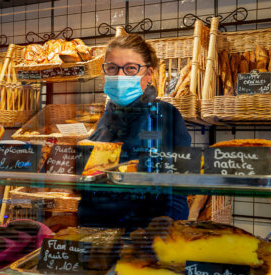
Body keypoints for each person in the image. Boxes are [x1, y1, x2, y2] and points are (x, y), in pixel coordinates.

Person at [78, 33, 192, 231]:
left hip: (141, 239)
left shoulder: (164, 115)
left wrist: (154, 241)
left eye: (130, 68)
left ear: (148, 74)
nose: (120, 76)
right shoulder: (107, 118)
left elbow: (176, 192)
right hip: (98, 235)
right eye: (112, 68)